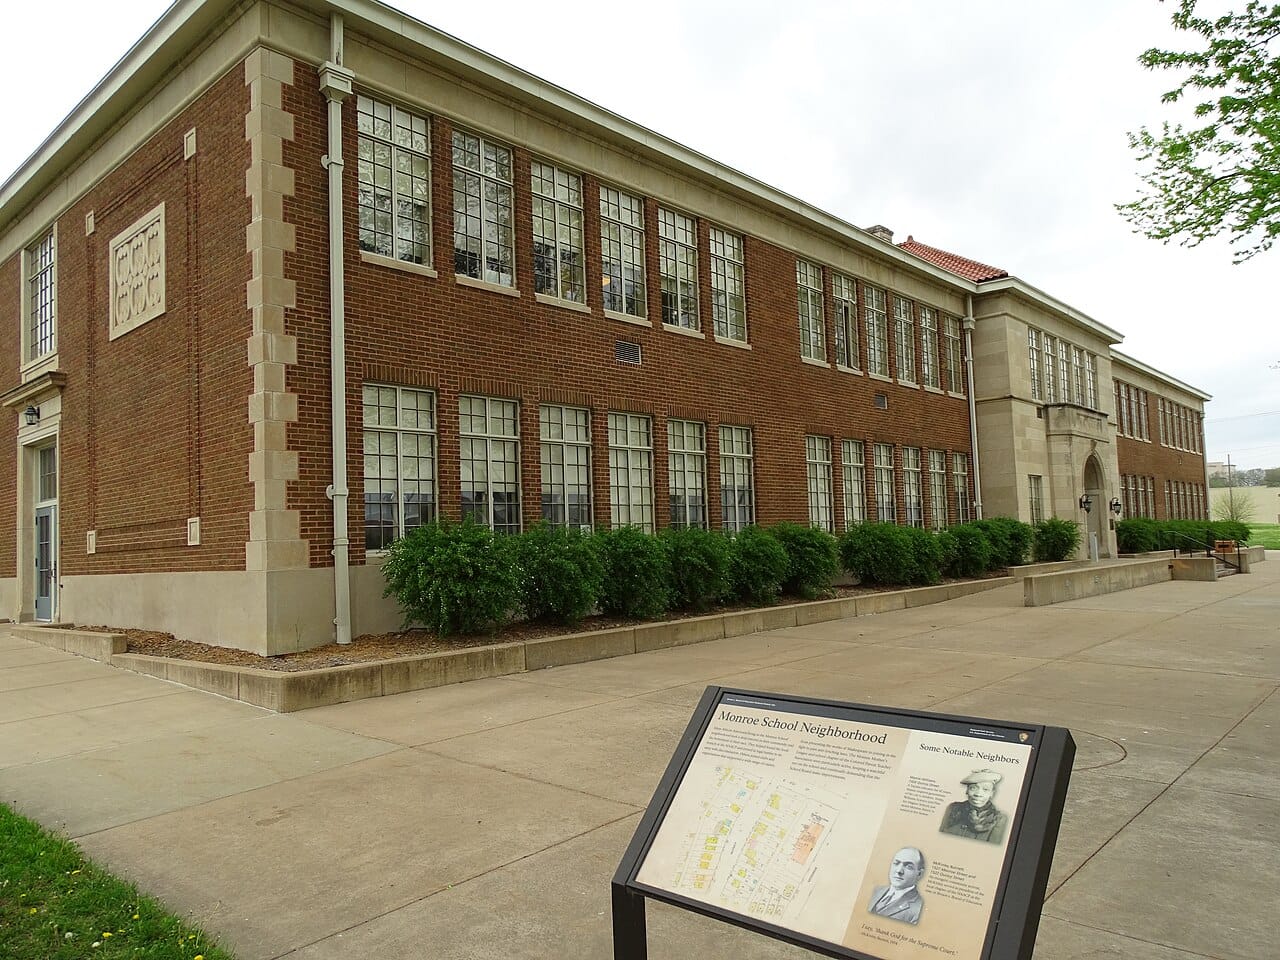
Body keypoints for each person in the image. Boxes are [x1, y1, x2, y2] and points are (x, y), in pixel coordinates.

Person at [939, 769, 1009, 843]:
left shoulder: (999, 818)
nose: (978, 794)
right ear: (967, 790)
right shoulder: (953, 809)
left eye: (985, 789)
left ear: (992, 793)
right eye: (973, 788)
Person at [866, 847, 925, 925]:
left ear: (919, 874)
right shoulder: (874, 890)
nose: (899, 871)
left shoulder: (918, 910)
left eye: (908, 867)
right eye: (896, 863)